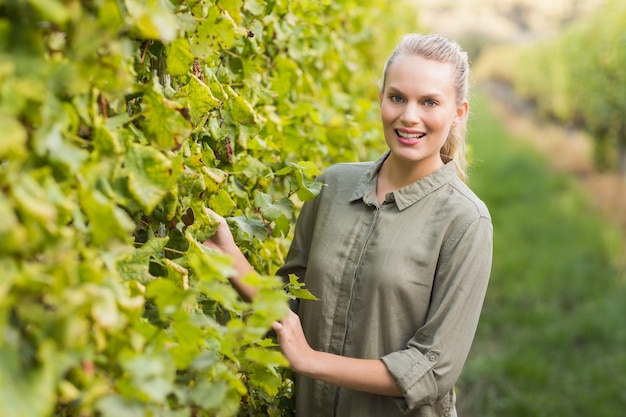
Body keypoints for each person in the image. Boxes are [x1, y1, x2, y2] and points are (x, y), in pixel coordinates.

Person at [204, 33, 493, 417]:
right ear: (381, 99)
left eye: (429, 102)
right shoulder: (332, 186)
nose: (409, 116)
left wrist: (310, 361)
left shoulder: (466, 221)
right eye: (397, 97)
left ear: (458, 111)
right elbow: (291, 305)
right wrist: (231, 258)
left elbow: (432, 370)